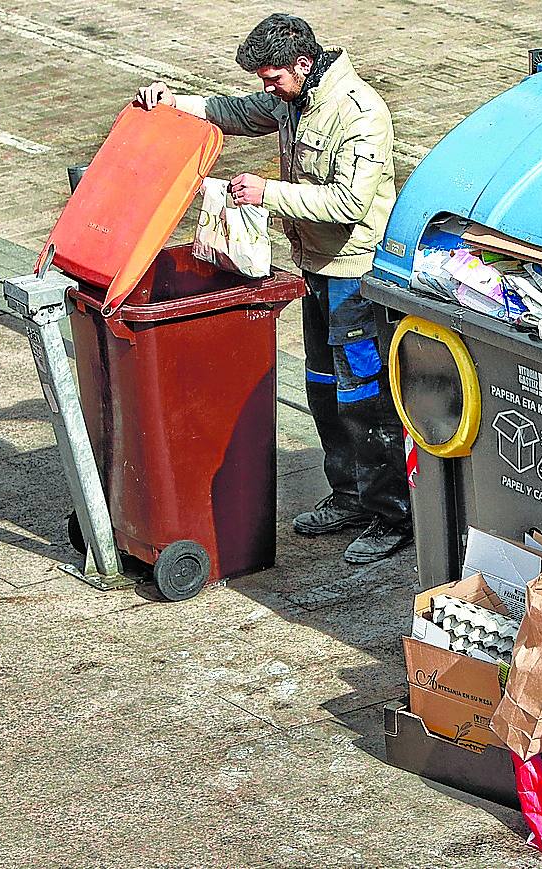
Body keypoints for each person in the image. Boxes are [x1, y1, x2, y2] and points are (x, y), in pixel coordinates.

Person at [136, 14, 411, 564]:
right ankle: (349, 497)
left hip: (353, 278)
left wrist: (267, 193)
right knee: (322, 389)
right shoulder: (293, 98)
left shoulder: (360, 114)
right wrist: (172, 102)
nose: (267, 88)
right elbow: (235, 111)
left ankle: (390, 517)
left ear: (302, 66)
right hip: (314, 270)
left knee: (363, 397)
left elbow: (348, 204)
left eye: (272, 77)